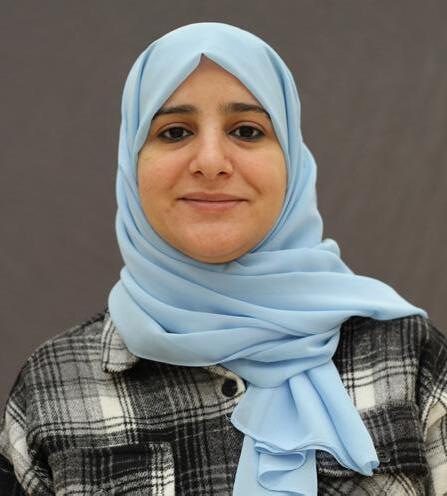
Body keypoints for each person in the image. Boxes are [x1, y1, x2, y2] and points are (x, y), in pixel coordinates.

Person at [0, 22, 446, 496]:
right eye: (174, 132)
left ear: (291, 161)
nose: (211, 161)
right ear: (132, 163)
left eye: (247, 131)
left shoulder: (408, 360)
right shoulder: (52, 387)